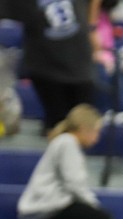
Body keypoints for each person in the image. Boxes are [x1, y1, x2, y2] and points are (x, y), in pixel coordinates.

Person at [17, 103, 115, 219]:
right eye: (96, 131)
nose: (97, 137)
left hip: (48, 206)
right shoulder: (68, 143)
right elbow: (75, 185)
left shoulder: (64, 142)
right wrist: (95, 207)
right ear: (84, 128)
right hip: (45, 207)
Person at [0, 0, 101, 134]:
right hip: (46, 67)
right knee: (58, 123)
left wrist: (92, 27)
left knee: (83, 125)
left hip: (80, 65)